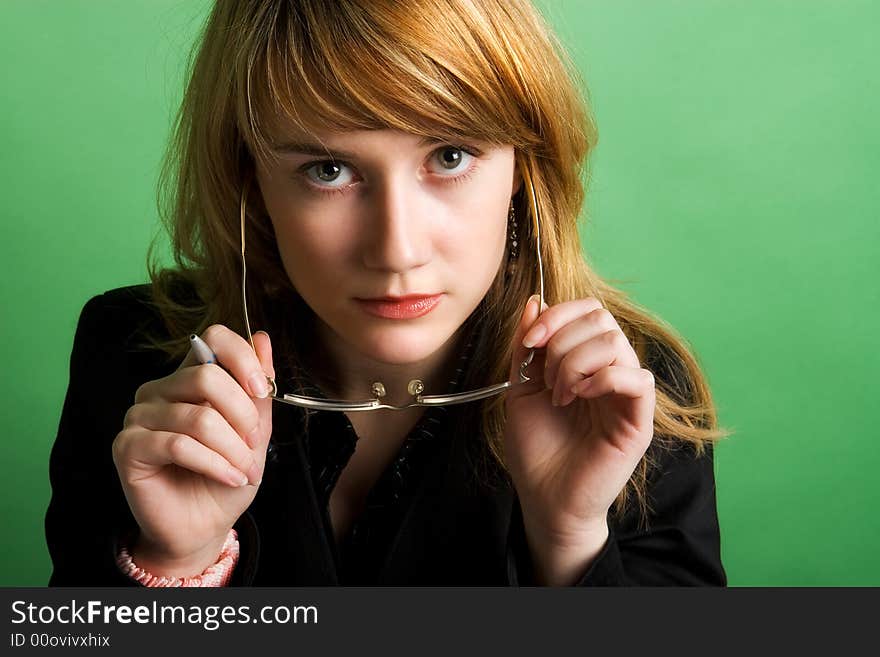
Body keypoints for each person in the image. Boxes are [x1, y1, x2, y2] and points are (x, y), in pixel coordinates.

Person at [46, 0, 728, 586]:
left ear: (524, 165)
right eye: (329, 168)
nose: (398, 249)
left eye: (450, 156)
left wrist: (571, 540)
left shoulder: (629, 394)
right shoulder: (135, 361)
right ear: (250, 181)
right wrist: (174, 561)